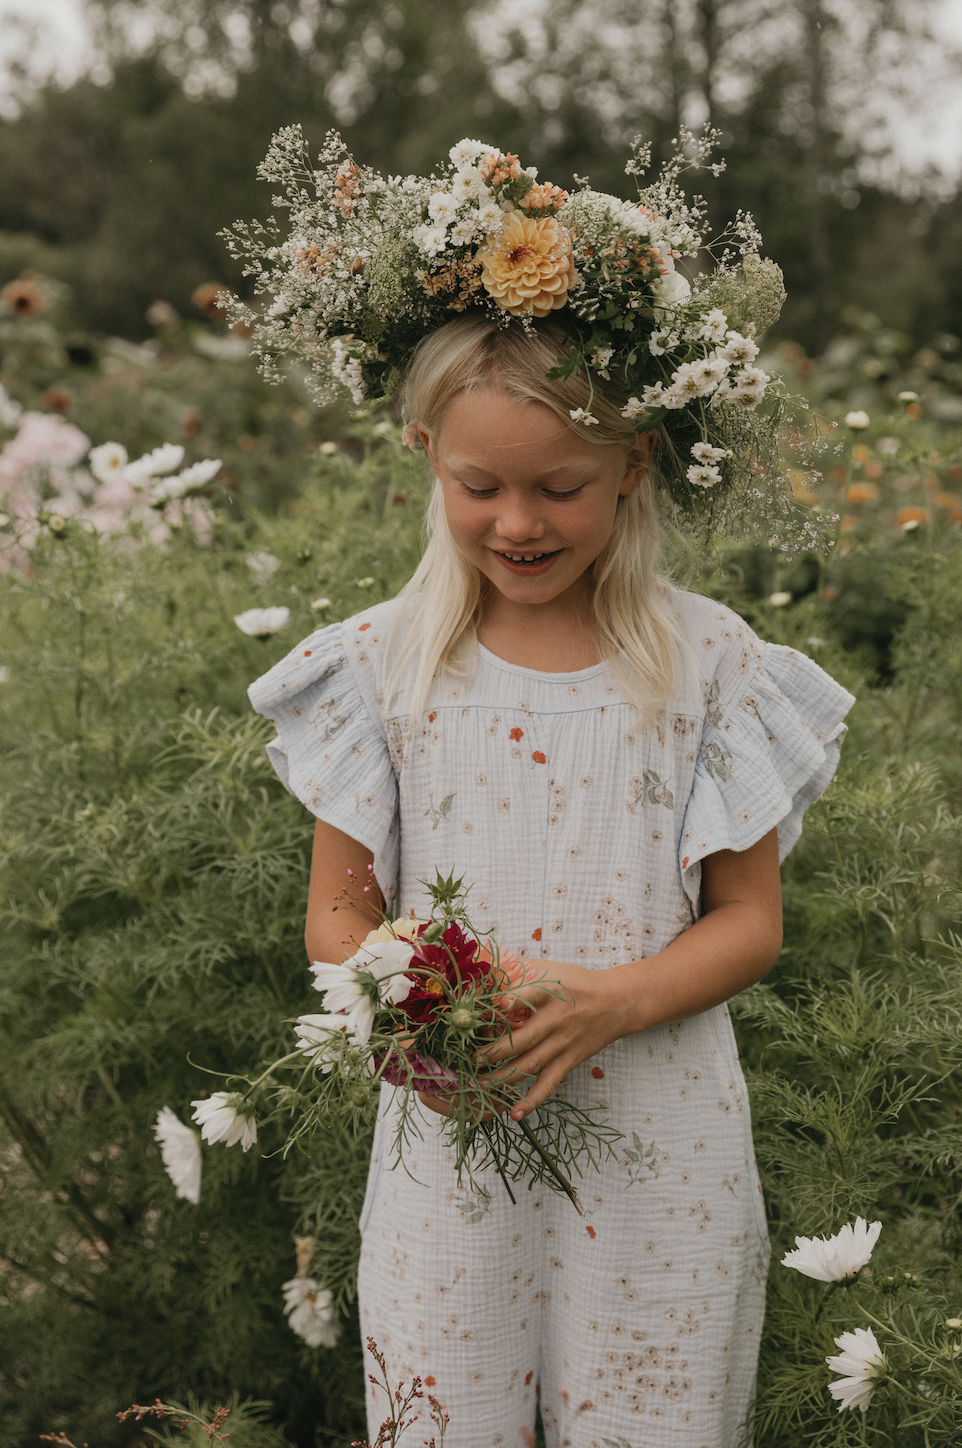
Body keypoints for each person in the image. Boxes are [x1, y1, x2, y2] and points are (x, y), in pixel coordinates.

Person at [242, 135, 853, 1447]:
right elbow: (335, 918)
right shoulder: (378, 667)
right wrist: (400, 1000)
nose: (518, 521)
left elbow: (747, 920)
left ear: (633, 466)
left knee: (654, 1404)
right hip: (452, 1144)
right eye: (480, 486)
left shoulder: (708, 667)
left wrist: (608, 1003)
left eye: (560, 486)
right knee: (445, 1404)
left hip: (659, 1144)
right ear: (424, 457)